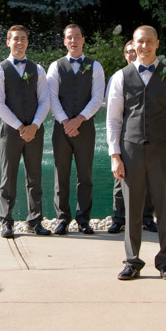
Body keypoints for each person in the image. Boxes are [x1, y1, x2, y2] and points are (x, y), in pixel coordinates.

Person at [107, 25, 166, 280]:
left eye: (149, 42)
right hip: (130, 149)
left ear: (157, 44)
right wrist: (114, 155)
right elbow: (113, 119)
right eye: (140, 42)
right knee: (131, 207)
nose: (144, 46)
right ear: (134, 43)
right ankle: (132, 261)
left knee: (164, 207)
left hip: (162, 148)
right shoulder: (121, 76)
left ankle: (165, 261)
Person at [0, 23, 51, 238]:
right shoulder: (0, 70)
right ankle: (6, 222)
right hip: (11, 131)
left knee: (35, 177)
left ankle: (35, 221)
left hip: (35, 131)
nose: (19, 42)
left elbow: (45, 100)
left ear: (27, 42)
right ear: (8, 42)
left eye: (23, 38)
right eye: (15, 38)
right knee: (9, 177)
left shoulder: (38, 69)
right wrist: (20, 127)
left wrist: (34, 125)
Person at [46, 23, 105, 235]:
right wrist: (65, 122)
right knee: (61, 174)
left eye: (77, 36)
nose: (73, 40)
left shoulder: (95, 67)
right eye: (69, 37)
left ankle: (83, 219)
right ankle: (62, 218)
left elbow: (98, 97)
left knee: (85, 175)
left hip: (85, 128)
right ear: (64, 41)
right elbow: (51, 97)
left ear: (83, 39)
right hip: (61, 129)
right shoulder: (55, 66)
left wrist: (78, 120)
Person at [106, 38, 157, 235]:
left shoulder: (154, 75)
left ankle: (146, 218)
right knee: (121, 179)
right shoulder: (118, 78)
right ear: (125, 55)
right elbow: (113, 113)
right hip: (124, 136)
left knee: (149, 180)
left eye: (133, 51)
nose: (132, 54)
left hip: (150, 136)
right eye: (128, 52)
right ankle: (118, 219)